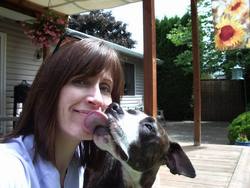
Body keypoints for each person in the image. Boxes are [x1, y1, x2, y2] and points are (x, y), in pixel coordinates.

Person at [0, 31, 124, 188]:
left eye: (105, 87)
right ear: (49, 90)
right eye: (81, 81)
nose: (98, 99)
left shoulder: (80, 162)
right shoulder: (9, 166)